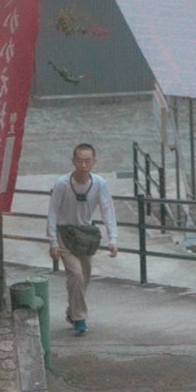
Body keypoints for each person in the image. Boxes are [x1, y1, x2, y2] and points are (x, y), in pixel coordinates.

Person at [45, 144, 115, 336]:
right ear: (73, 161)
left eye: (88, 161)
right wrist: (52, 241)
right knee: (75, 274)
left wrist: (112, 239)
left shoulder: (99, 183)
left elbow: (107, 209)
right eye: (80, 160)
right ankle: (79, 318)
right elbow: (52, 212)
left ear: (94, 162)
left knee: (84, 277)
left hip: (84, 236)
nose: (84, 165)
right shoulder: (62, 184)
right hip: (64, 234)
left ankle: (72, 310)